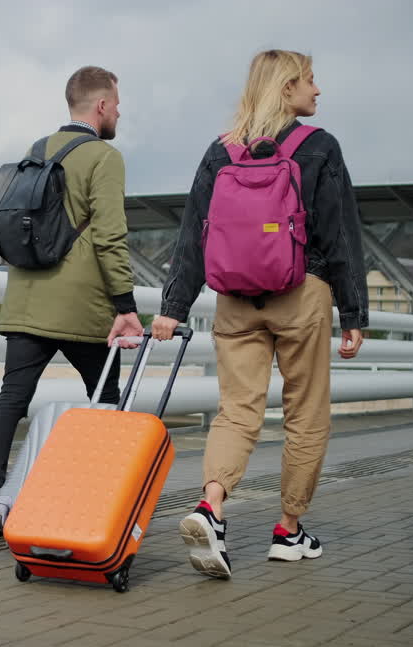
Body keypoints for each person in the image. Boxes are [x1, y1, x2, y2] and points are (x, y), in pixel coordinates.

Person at [151, 49, 369, 578]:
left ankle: (212, 507)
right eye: (311, 81)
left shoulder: (221, 150)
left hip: (235, 299)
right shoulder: (319, 147)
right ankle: (288, 531)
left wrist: (173, 307)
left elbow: (193, 236)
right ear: (288, 86)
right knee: (307, 414)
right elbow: (339, 234)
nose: (318, 92)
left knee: (237, 411)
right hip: (301, 292)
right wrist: (353, 310)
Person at [0, 65, 144, 535]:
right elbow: (110, 237)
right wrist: (126, 305)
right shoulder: (104, 157)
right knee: (108, 400)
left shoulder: (35, 151)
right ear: (102, 106)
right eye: (117, 103)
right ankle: (101, 497)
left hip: (26, 300)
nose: (119, 113)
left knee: (12, 398)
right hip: (81, 306)